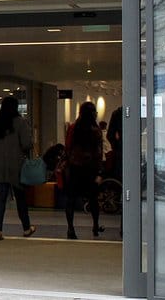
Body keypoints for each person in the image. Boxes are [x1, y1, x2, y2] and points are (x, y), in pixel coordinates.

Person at [0, 96, 35, 240]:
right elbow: (26, 143)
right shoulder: (20, 122)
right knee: (20, 198)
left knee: (0, 197)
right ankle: (26, 228)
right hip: (16, 165)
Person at [63, 102, 104, 239]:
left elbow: (67, 147)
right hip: (90, 169)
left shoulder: (74, 128)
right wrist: (99, 172)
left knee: (71, 199)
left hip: (74, 168)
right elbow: (99, 153)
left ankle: (70, 228)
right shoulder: (96, 130)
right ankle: (95, 226)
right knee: (93, 199)